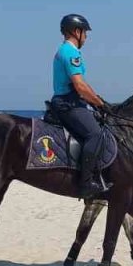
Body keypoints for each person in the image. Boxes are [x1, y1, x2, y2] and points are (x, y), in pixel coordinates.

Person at [49, 13, 113, 198]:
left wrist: (97, 99)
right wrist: (99, 103)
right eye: (85, 32)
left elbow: (84, 86)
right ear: (76, 31)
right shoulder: (70, 52)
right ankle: (85, 183)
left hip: (72, 101)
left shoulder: (66, 51)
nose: (86, 37)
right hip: (68, 104)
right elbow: (79, 85)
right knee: (95, 133)